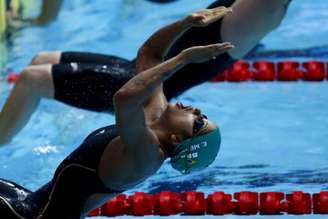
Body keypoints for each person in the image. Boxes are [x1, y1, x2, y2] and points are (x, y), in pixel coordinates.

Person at [0, 8, 233, 219]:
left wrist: (182, 59)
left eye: (199, 121)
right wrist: (186, 23)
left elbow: (123, 99)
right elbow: (150, 53)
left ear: (177, 139)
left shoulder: (147, 156)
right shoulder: (154, 116)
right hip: (30, 203)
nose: (199, 111)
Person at [0, 0, 292, 145]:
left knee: (32, 79)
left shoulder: (262, 8)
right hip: (136, 66)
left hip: (140, 87)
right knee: (41, 59)